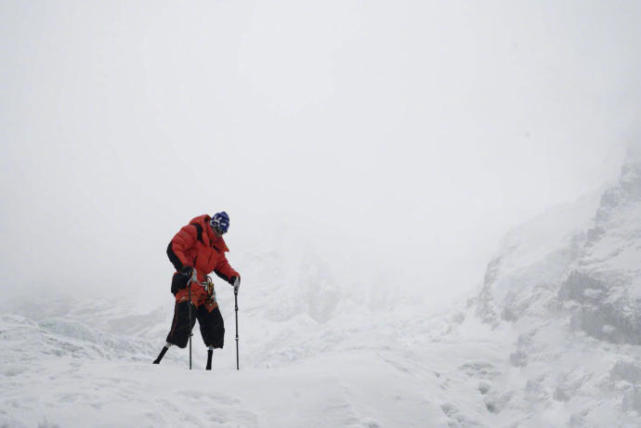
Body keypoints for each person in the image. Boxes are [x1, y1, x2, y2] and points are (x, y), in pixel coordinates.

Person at [153, 211, 241, 370]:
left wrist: (233, 277)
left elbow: (221, 265)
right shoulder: (195, 231)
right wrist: (184, 267)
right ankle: (159, 359)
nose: (218, 234)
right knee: (185, 318)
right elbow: (174, 246)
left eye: (222, 232)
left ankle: (209, 366)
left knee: (215, 323)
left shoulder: (218, 247)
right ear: (212, 224)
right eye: (217, 229)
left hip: (204, 285)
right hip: (187, 279)